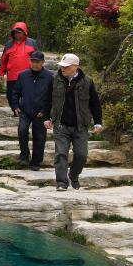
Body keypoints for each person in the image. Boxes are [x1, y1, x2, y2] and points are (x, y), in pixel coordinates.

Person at [43, 54, 103, 191]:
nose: (63, 69)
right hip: (60, 124)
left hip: (80, 125)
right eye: (61, 66)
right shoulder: (54, 80)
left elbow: (95, 103)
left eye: (66, 67)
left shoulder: (87, 81)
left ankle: (74, 175)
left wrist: (98, 122)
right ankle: (61, 182)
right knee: (61, 154)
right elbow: (47, 100)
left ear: (76, 67)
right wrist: (46, 118)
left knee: (82, 155)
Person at [12, 50, 53, 170]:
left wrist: (45, 111)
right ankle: (24, 156)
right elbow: (15, 92)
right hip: (25, 110)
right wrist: (15, 106)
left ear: (43, 62)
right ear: (30, 61)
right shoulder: (23, 75)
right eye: (32, 61)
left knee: (39, 136)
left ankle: (36, 162)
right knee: (22, 130)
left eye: (37, 62)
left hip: (41, 112)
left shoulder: (50, 77)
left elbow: (53, 96)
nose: (35, 64)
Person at [0, 22, 38, 111]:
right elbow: (3, 60)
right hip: (12, 76)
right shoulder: (8, 44)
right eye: (15, 32)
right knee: (10, 96)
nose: (17, 34)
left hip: (28, 76)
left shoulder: (32, 43)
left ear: (24, 32)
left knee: (28, 96)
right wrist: (1, 73)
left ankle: (25, 113)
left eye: (19, 32)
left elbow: (38, 58)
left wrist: (38, 72)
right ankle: (16, 112)